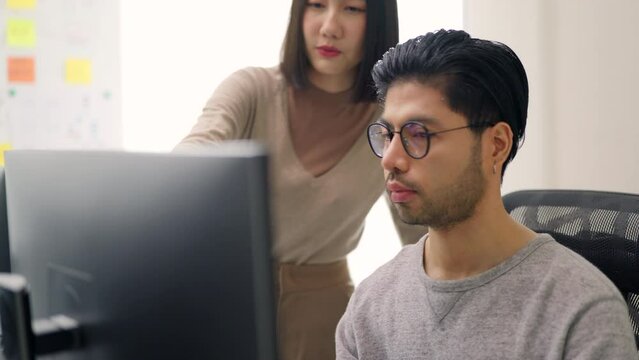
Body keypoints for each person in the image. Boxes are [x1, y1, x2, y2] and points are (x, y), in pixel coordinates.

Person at [335, 29, 639, 359]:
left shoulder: (582, 313)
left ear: (496, 145)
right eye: (388, 134)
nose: (392, 158)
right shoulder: (369, 307)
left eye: (418, 134)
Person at [174, 1, 425, 359]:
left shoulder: (389, 121)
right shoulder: (253, 90)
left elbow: (422, 234)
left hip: (323, 316)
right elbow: (191, 156)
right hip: (224, 301)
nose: (329, 26)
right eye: (316, 5)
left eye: (352, 9)